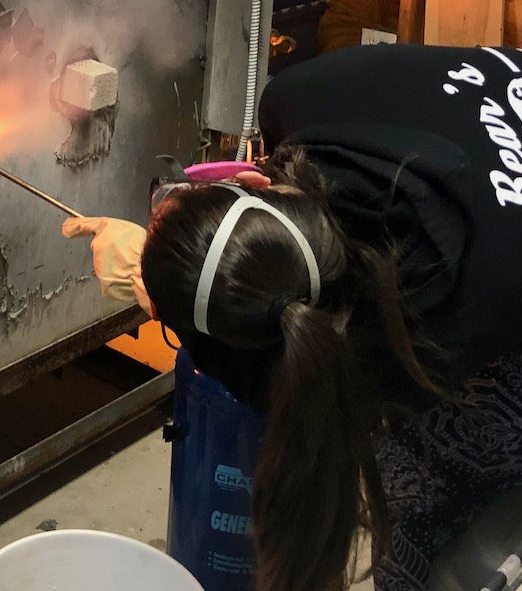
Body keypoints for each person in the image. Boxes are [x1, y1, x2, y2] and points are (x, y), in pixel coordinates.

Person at [64, 43, 522, 591]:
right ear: (255, 182)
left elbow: (318, 390)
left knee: (426, 542)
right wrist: (167, 269)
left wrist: (160, 281)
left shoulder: (436, 336)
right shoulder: (299, 98)